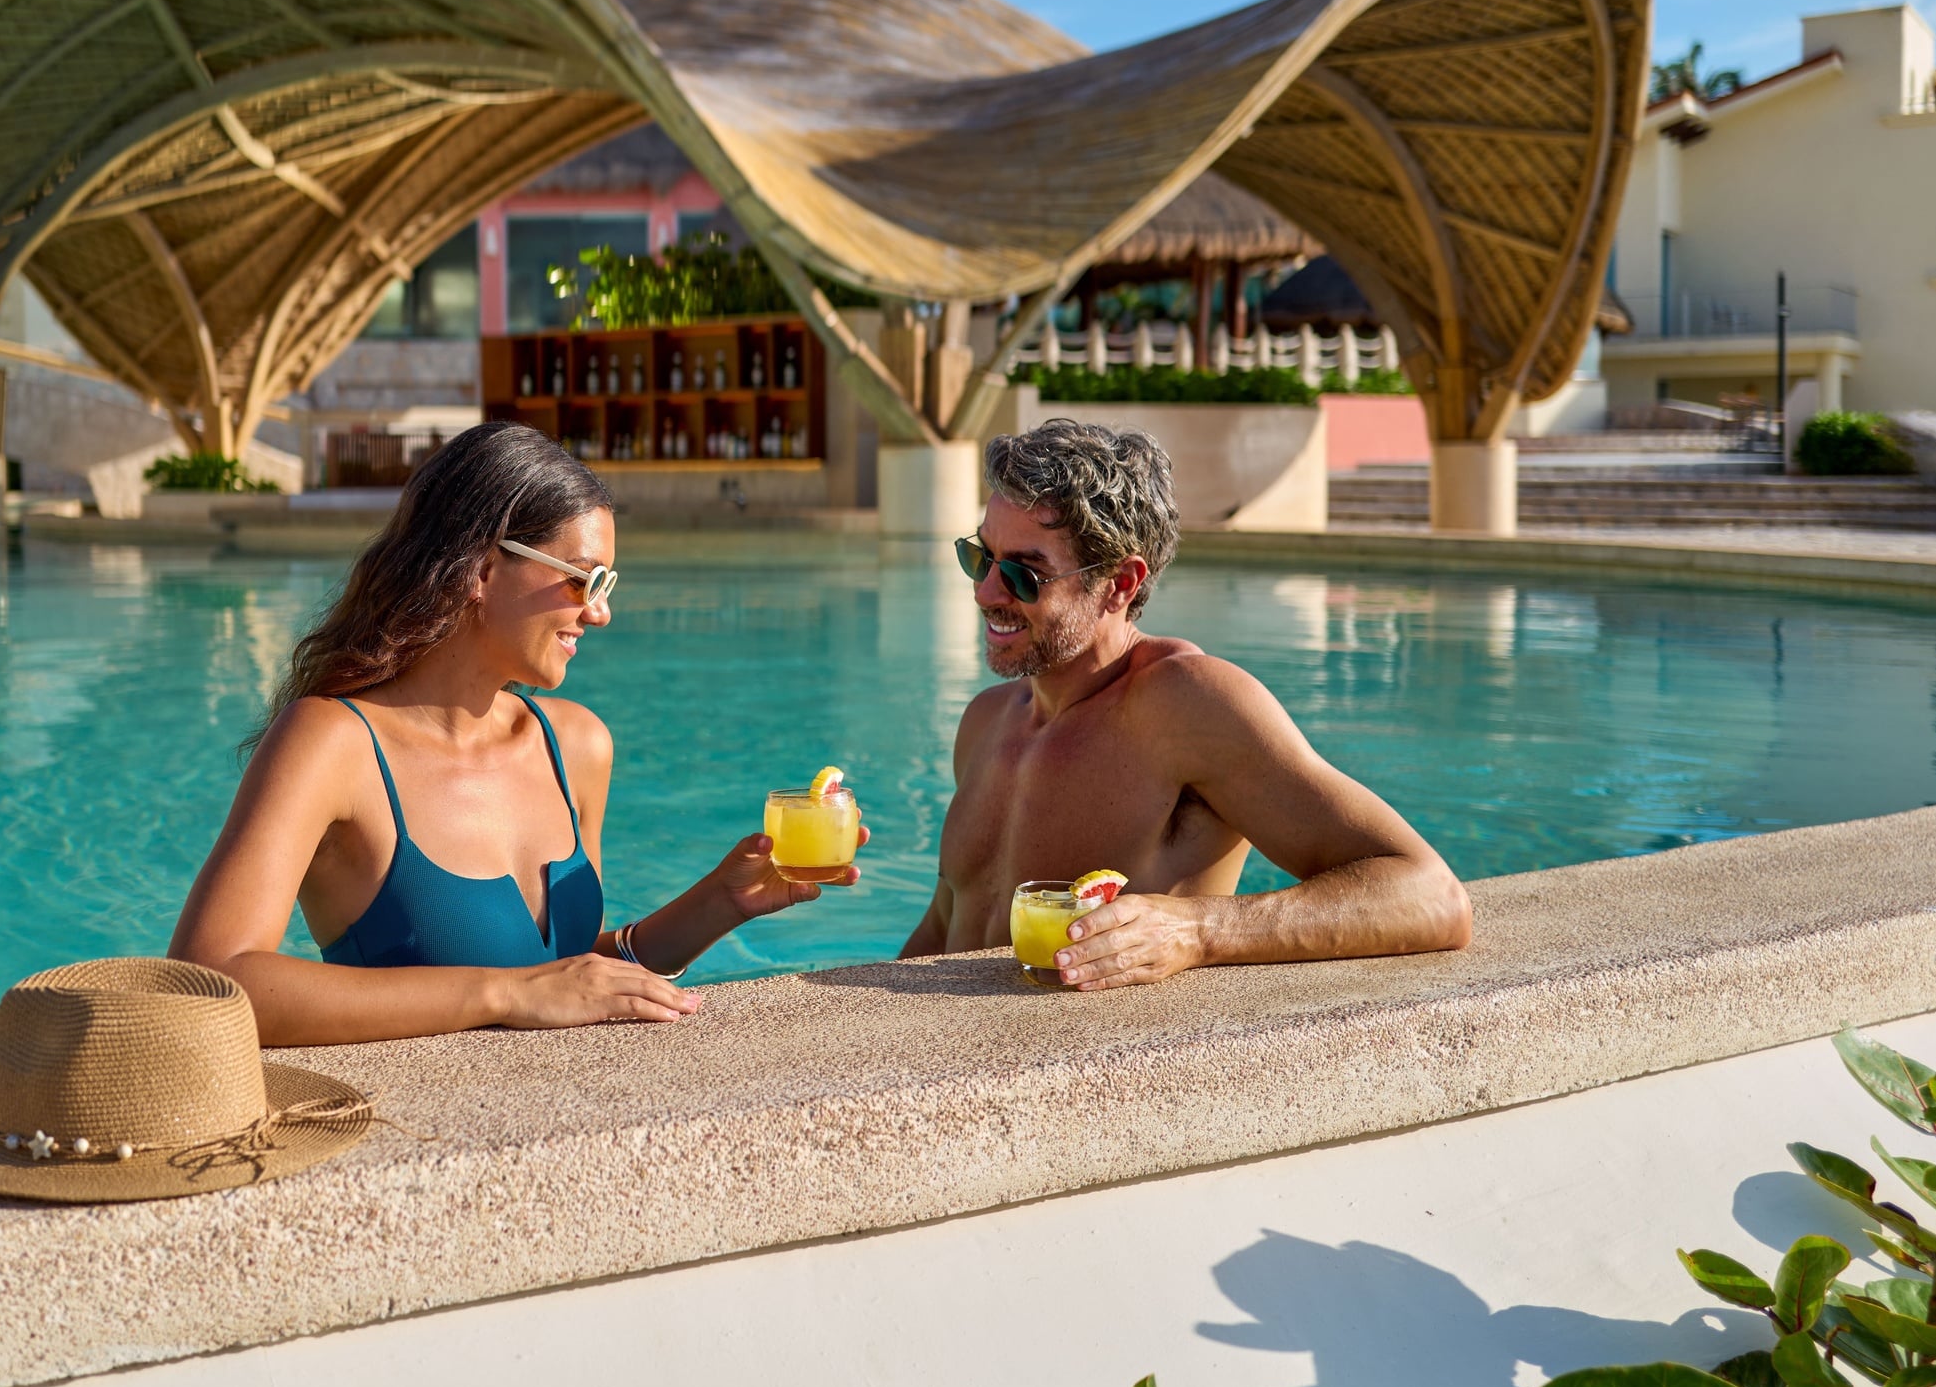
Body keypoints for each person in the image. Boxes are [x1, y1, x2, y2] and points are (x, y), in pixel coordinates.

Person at [172, 420, 859, 1044]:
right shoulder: (333, 744)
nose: (600, 613)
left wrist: (720, 902)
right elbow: (208, 981)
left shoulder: (577, 745)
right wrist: (500, 992)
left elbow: (563, 976)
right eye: (582, 582)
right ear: (482, 569)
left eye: (608, 583)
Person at [900, 420, 1470, 987]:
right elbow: (945, 927)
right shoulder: (986, 720)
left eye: (1024, 575)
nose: (986, 593)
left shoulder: (1185, 707)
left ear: (1120, 584)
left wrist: (1194, 931)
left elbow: (1429, 894)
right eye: (981, 558)